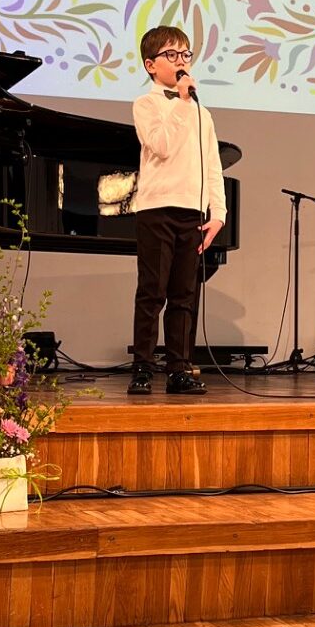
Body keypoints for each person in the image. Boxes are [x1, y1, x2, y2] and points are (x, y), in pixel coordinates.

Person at [129, 25, 226, 396]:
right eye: (172, 55)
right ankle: (142, 367)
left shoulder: (203, 113)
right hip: (157, 209)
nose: (181, 61)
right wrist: (183, 103)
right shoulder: (147, 104)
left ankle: (179, 369)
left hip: (192, 212)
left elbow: (212, 165)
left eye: (186, 54)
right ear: (151, 65)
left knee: (185, 295)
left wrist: (218, 213)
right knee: (152, 292)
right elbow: (162, 145)